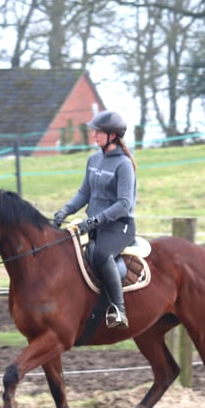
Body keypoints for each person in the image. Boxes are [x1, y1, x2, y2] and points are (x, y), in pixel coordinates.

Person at [53, 110, 138, 329]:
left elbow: (123, 204)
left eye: (98, 132)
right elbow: (84, 193)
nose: (94, 136)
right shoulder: (94, 159)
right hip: (97, 226)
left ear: (112, 135)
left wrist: (92, 222)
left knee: (100, 254)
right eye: (94, 132)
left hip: (120, 226)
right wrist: (66, 210)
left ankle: (119, 309)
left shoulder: (124, 165)